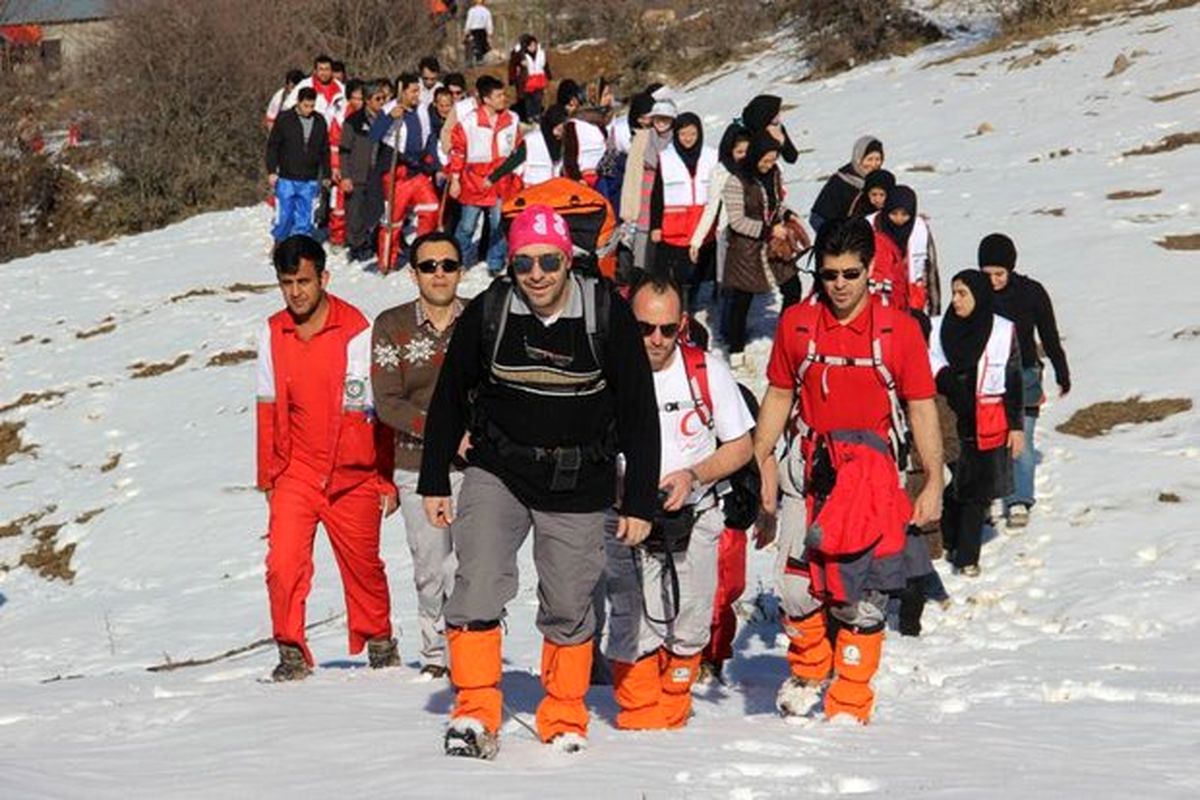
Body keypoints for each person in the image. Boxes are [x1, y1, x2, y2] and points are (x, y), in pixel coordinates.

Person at [418, 205, 659, 758]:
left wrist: (639, 499)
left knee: (571, 599)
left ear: (568, 260)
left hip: (580, 479)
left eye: (549, 261)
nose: (537, 274)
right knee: (476, 578)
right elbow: (451, 397)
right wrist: (434, 479)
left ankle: (564, 711)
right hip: (499, 470)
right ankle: (476, 709)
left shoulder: (605, 314)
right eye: (523, 263)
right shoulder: (491, 311)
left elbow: (640, 412)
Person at [753, 217, 944, 723]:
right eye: (830, 274)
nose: (839, 285)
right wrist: (760, 459)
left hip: (872, 476)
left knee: (860, 596)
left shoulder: (898, 331)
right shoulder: (796, 323)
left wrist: (933, 478)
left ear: (871, 270)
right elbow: (778, 393)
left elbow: (921, 406)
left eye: (850, 274)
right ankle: (810, 667)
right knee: (796, 587)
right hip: (809, 465)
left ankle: (851, 700)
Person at [604, 274, 754, 729]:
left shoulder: (706, 371)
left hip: (696, 515)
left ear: (682, 324)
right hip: (622, 516)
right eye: (644, 328)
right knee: (631, 620)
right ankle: (637, 714)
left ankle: (672, 710)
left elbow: (740, 445)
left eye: (667, 329)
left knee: (690, 617)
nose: (655, 339)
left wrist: (692, 475)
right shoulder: (607, 371)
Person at [256, 235, 399, 681]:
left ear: (324, 278)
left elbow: (377, 413)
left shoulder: (357, 330)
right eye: (286, 283)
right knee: (282, 565)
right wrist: (269, 477)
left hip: (353, 475)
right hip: (295, 473)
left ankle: (379, 644)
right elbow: (267, 405)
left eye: (303, 281)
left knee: (365, 569)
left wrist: (384, 479)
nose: (296, 292)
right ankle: (290, 652)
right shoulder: (272, 332)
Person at [372, 232, 466, 679]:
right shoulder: (392, 325)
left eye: (448, 265)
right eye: (429, 266)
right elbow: (388, 402)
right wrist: (446, 433)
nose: (439, 274)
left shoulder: (480, 319)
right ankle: (434, 653)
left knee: (470, 565)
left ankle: (470, 649)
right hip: (415, 464)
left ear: (460, 270)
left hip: (476, 465)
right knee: (431, 567)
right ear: (414, 274)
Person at [930, 270, 1024, 575]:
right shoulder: (940, 328)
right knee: (956, 482)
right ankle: (951, 539)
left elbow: (1012, 378)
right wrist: (947, 381)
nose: (955, 300)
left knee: (976, 489)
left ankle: (967, 556)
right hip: (947, 415)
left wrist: (1016, 425)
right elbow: (927, 360)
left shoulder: (1002, 331)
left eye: (962, 294)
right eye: (954, 293)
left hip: (986, 417)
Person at [979, 233, 1070, 528]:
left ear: (1010, 269)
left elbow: (1049, 334)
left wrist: (1061, 370)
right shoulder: (975, 293)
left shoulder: (1031, 293)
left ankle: (1019, 499)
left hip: (1026, 374)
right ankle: (988, 497)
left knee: (1023, 440)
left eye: (998, 274)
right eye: (986, 274)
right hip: (988, 376)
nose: (992, 280)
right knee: (991, 439)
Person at [720, 134, 805, 365]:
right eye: (765, 161)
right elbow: (737, 221)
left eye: (772, 160)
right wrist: (768, 230)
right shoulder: (736, 182)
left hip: (775, 245)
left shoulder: (775, 174)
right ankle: (736, 348)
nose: (768, 165)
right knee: (742, 298)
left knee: (792, 287)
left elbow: (776, 204)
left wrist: (787, 215)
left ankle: (788, 334)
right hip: (746, 248)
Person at [447, 75, 523, 276]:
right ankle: (458, 260)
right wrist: (455, 179)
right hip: (474, 183)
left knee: (499, 225)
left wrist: (517, 174)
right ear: (486, 99)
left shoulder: (512, 120)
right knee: (467, 226)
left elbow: (518, 149)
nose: (503, 98)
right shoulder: (468, 122)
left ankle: (495, 262)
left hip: (501, 183)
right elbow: (457, 152)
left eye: (503, 94)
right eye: (498, 95)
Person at [648, 112, 717, 310]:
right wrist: (655, 225)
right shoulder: (666, 157)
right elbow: (657, 194)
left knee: (699, 270)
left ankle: (691, 300)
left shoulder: (711, 156)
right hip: (674, 225)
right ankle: (679, 305)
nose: (688, 139)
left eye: (692, 134)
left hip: (703, 225)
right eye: (683, 134)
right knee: (678, 272)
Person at [371, 73, 440, 272]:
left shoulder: (422, 110)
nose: (417, 94)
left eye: (418, 90)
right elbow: (374, 135)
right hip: (396, 172)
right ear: (403, 92)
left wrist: (432, 162)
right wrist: (389, 118)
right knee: (393, 220)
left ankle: (422, 252)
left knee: (431, 208)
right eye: (413, 91)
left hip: (417, 171)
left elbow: (429, 137)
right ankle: (387, 260)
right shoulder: (390, 110)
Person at [620, 96, 676, 273]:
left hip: (668, 195)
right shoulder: (642, 138)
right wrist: (628, 211)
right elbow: (632, 174)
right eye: (658, 118)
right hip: (643, 193)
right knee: (642, 245)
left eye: (666, 119)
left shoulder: (676, 139)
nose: (661, 123)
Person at [266, 87, 330, 243]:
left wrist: (326, 174)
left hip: (309, 177)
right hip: (287, 175)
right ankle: (280, 241)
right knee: (286, 214)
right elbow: (273, 146)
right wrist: (272, 170)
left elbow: (324, 150)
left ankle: (300, 244)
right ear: (298, 103)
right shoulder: (284, 119)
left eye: (312, 106)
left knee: (305, 216)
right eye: (305, 106)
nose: (309, 109)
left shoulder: (319, 121)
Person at [340, 81, 386, 263]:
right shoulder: (354, 121)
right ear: (368, 100)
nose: (382, 102)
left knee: (375, 210)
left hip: (377, 173)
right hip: (357, 173)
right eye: (378, 99)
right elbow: (344, 150)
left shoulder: (385, 120)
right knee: (355, 213)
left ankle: (371, 241)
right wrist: (345, 176)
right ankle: (355, 246)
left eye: (383, 98)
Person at [809, 135, 884, 234]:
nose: (874, 164)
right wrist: (837, 239)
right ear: (858, 158)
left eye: (877, 159)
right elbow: (817, 217)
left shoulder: (882, 180)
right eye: (869, 159)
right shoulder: (841, 181)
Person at [327, 79, 363, 248]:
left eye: (362, 98)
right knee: (340, 204)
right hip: (344, 165)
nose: (360, 102)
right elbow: (334, 144)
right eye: (356, 98)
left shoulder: (371, 114)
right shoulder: (341, 117)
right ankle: (337, 237)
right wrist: (335, 167)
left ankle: (360, 237)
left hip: (362, 165)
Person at [869, 184, 917, 310]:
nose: (899, 219)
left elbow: (929, 267)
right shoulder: (875, 236)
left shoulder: (918, 232)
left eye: (905, 214)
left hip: (913, 300)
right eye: (894, 213)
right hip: (884, 304)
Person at [738, 94, 800, 164]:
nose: (779, 117)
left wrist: (782, 141)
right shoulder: (745, 133)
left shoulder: (778, 129)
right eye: (776, 114)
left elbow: (792, 158)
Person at [285, 54, 346, 126]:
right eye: (321, 69)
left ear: (331, 71)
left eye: (327, 69)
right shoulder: (305, 85)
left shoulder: (341, 88)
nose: (324, 73)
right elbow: (288, 106)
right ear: (315, 71)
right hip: (310, 131)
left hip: (334, 134)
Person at [514, 34, 550, 122]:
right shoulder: (523, 55)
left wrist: (548, 76)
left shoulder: (540, 53)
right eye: (530, 46)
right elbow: (516, 60)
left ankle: (537, 115)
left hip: (538, 78)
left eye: (534, 45)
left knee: (538, 98)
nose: (533, 47)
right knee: (529, 99)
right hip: (528, 79)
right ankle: (530, 116)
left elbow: (544, 64)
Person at [464, 0, 493, 66]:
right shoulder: (485, 11)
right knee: (479, 45)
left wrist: (466, 30)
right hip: (481, 30)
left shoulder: (472, 11)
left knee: (478, 45)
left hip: (475, 30)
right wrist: (490, 31)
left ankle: (476, 59)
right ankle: (477, 59)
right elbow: (489, 22)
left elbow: (469, 21)